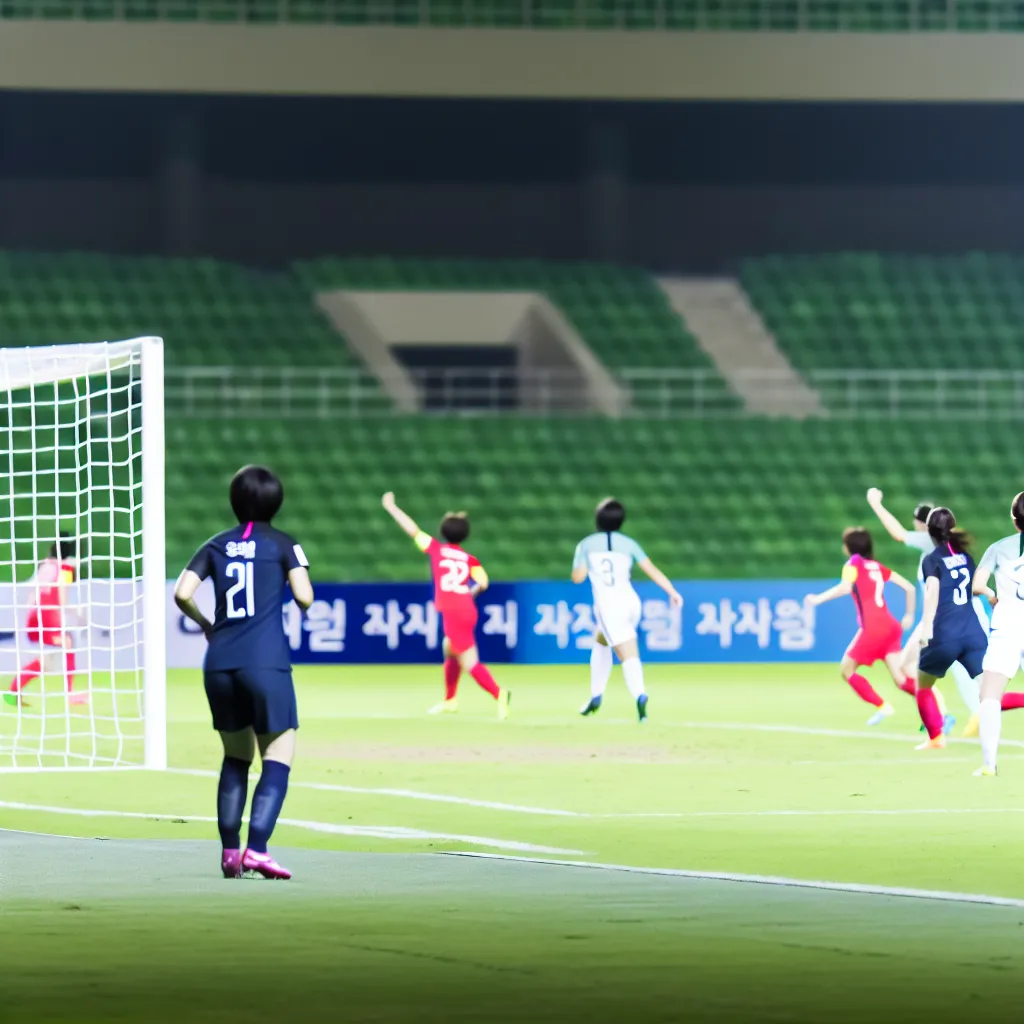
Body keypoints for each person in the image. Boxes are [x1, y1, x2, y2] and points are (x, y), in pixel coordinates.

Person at [174, 465, 313, 880]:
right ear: (277, 502)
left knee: (235, 757)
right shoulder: (284, 543)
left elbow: (183, 593)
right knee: (278, 755)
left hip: (219, 662)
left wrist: (205, 623)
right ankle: (259, 848)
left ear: (234, 501)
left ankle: (230, 853)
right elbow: (305, 598)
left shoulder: (215, 544)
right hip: (265, 661)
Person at [382, 492, 509, 719]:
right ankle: (450, 700)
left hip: (454, 611)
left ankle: (499, 694)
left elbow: (412, 529)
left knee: (469, 661)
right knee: (449, 649)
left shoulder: (436, 549)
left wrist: (391, 507)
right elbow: (484, 582)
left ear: (443, 532)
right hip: (464, 608)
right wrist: (469, 593)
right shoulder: (470, 559)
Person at [867, 488, 976, 735]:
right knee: (914, 666)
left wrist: (876, 504)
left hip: (939, 618)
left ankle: (945, 717)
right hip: (946, 616)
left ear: (922, 524)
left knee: (920, 667)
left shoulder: (930, 541)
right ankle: (945, 715)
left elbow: (896, 534)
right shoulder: (945, 546)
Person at [572, 498, 682, 724]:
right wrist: (672, 591)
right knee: (601, 640)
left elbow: (578, 577)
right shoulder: (628, 544)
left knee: (627, 652)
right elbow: (650, 568)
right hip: (631, 601)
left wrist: (584, 564)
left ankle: (640, 695)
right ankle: (595, 696)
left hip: (609, 605)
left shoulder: (586, 544)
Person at [806, 527, 922, 726]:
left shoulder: (853, 564)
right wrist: (909, 615)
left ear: (849, 547)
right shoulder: (877, 566)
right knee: (901, 680)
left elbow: (844, 587)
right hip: (891, 626)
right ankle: (937, 712)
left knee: (847, 670)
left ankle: (883, 706)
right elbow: (909, 587)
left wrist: (818, 599)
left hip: (873, 628)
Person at [913, 508, 987, 751]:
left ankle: (936, 738)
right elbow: (975, 588)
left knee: (923, 686)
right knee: (990, 693)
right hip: (973, 633)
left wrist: (926, 629)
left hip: (945, 635)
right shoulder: (965, 556)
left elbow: (932, 594)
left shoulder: (931, 559)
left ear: (928, 530)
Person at [970, 491, 1024, 777]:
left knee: (989, 695)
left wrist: (992, 594)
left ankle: (989, 764)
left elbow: (978, 584)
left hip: (1007, 627)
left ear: (1014, 520)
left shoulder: (999, 547)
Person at [4, 533, 85, 707]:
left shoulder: (45, 566)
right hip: (47, 618)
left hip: (34, 618)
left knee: (47, 662)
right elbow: (61, 599)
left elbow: (33, 595)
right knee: (67, 643)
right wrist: (78, 615)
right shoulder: (65, 569)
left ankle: (13, 692)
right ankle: (70, 695)